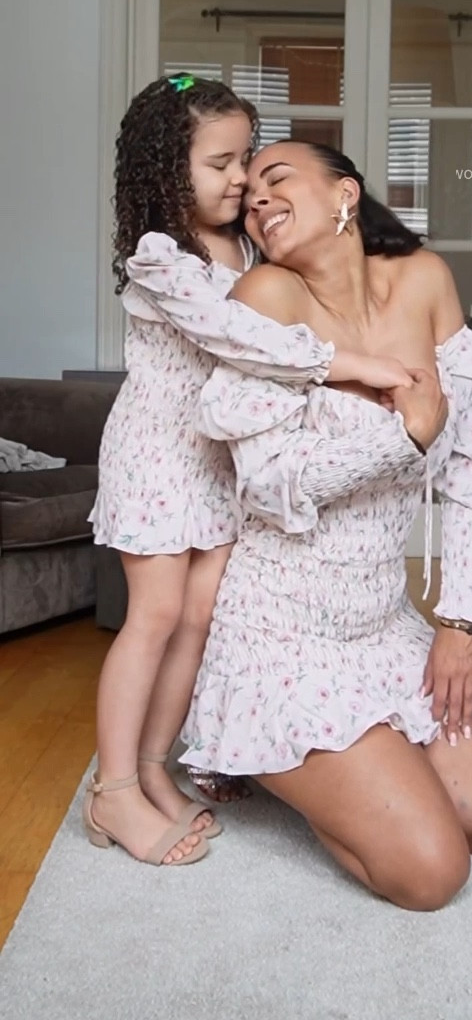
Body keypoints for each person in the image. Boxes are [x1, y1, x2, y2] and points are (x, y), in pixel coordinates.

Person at [180, 140, 472, 907]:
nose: (259, 201)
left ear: (346, 192)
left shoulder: (423, 279)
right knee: (431, 873)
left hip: (382, 621)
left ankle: (365, 755)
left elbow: (467, 467)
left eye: (278, 180)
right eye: (250, 198)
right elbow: (269, 486)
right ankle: (266, 750)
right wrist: (400, 438)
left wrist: (460, 624)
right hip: (282, 634)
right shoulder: (266, 299)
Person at [85, 78, 413, 868]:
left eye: (246, 158)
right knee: (155, 617)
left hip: (221, 464)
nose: (241, 179)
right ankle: (113, 791)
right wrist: (351, 363)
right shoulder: (160, 257)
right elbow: (241, 340)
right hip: (159, 459)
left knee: (200, 621)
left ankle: (157, 765)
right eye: (221, 163)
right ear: (167, 170)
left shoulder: (249, 247)